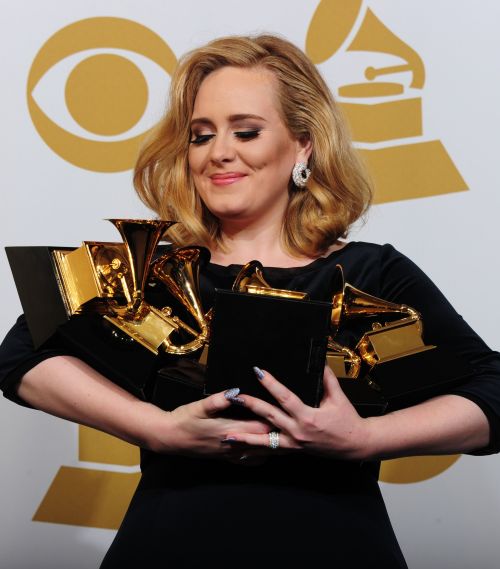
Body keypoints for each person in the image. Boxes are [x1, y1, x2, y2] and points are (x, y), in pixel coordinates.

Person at [1, 34, 499, 569]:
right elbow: (21, 355)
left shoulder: (370, 272)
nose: (219, 152)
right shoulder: (155, 271)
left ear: (303, 145)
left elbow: (492, 390)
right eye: (200, 135)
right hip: (167, 547)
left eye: (246, 131)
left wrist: (364, 438)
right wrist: (156, 429)